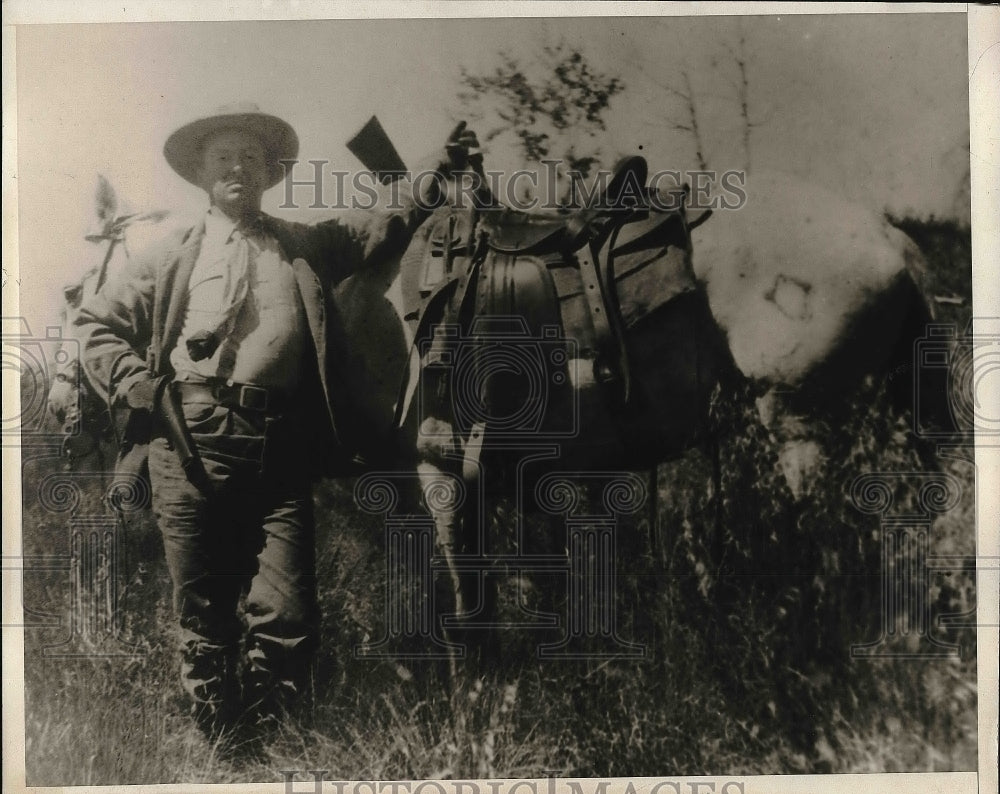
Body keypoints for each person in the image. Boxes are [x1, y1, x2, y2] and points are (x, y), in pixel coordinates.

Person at [73, 102, 478, 740]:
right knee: (204, 612)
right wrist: (141, 389)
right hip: (187, 439)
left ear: (269, 173)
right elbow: (94, 325)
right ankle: (222, 746)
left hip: (281, 445)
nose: (240, 168)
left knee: (289, 614)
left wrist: (432, 171)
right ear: (202, 174)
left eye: (252, 158)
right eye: (224, 158)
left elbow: (382, 223)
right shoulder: (169, 254)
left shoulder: (303, 245)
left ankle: (266, 737)